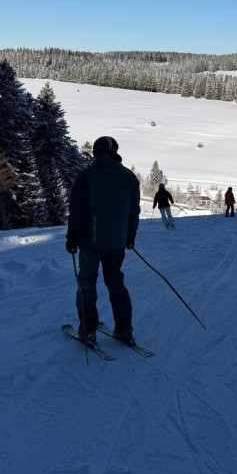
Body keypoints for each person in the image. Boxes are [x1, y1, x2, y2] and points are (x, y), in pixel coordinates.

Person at [65, 136, 140, 347]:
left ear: (96, 152)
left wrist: (72, 237)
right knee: (115, 282)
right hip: (117, 243)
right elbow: (133, 211)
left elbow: (77, 210)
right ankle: (125, 330)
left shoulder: (87, 176)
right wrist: (130, 236)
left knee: (87, 282)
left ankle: (88, 331)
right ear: (115, 151)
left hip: (91, 241)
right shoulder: (129, 177)